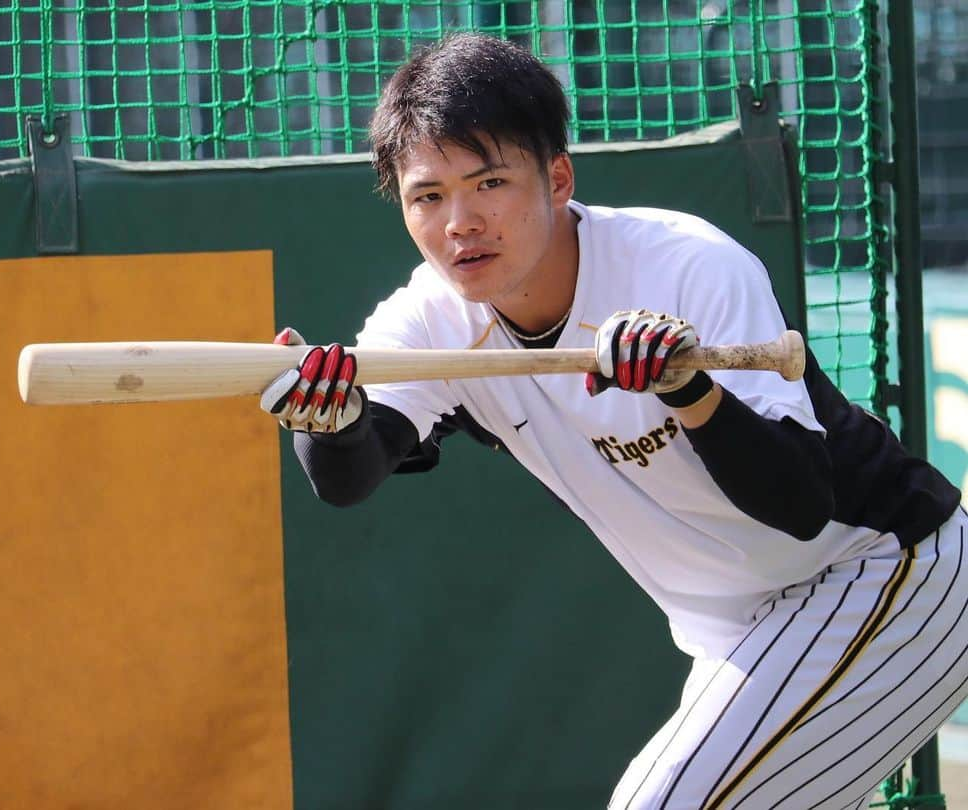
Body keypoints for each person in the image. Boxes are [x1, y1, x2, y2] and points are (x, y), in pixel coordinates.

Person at [259, 32, 968, 809]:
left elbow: (800, 506)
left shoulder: (684, 264)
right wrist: (322, 418)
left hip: (885, 574)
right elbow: (349, 473)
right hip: (734, 631)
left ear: (557, 178)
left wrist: (688, 391)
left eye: (489, 181)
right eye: (427, 195)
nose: (460, 221)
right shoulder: (427, 322)